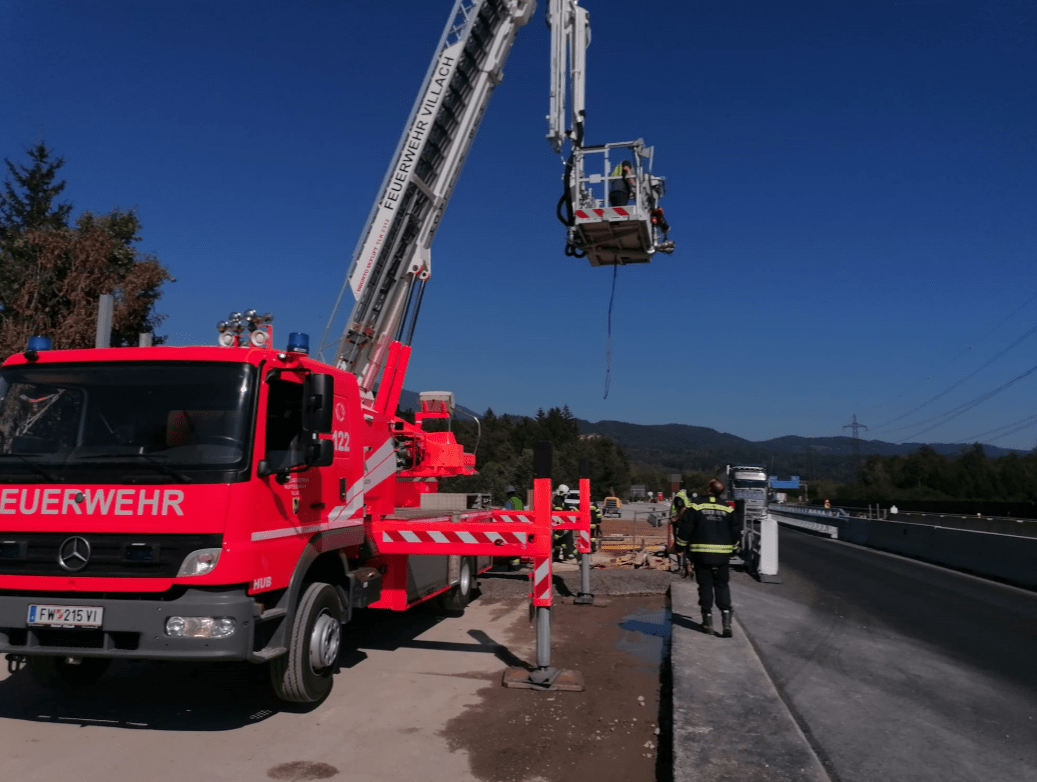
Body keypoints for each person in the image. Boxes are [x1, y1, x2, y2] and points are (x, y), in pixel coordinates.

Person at [685, 479, 739, 637]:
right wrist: (733, 550)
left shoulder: (696, 505)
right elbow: (735, 532)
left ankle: (707, 621)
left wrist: (681, 547)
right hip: (722, 556)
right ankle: (726, 621)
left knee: (705, 586)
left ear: (709, 489)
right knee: (722, 585)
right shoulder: (728, 508)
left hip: (702, 554)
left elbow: (687, 528)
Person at [503, 484, 524, 570]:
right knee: (518, 545)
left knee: (511, 546)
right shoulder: (519, 501)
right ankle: (517, 564)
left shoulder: (509, 502)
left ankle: (512, 566)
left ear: (507, 493)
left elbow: (507, 515)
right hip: (520, 526)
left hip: (512, 526)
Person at [552, 484, 575, 561]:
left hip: (559, 523)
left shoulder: (559, 499)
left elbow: (563, 509)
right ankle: (564, 554)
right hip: (558, 523)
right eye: (565, 494)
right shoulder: (558, 500)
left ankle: (558, 556)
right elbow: (559, 512)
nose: (565, 496)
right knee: (557, 539)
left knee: (559, 541)